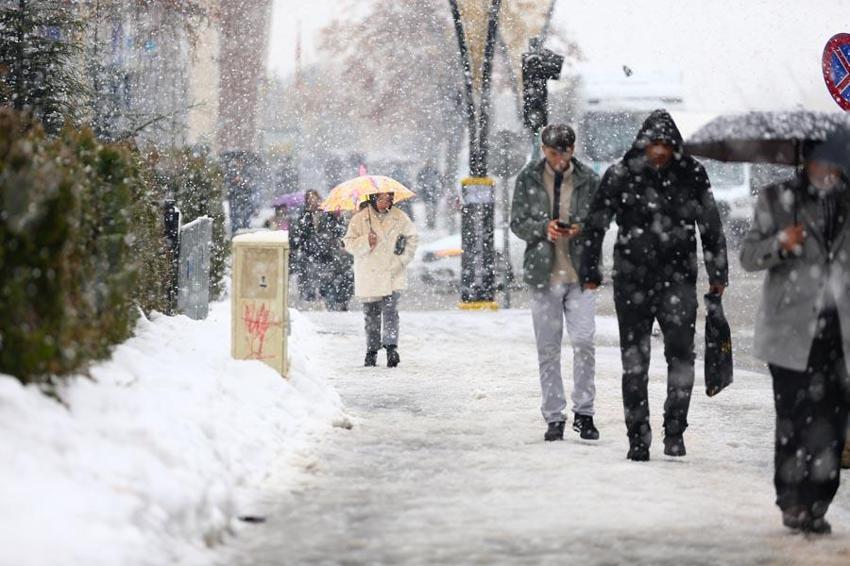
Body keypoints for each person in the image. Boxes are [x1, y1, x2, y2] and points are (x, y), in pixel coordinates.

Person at [580, 109, 728, 461]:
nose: (660, 151)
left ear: (674, 144)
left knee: (681, 357)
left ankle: (675, 430)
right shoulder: (621, 174)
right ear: (643, 144)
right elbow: (595, 224)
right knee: (635, 363)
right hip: (632, 280)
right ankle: (638, 437)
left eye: (666, 144)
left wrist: (718, 273)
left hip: (678, 279)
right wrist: (590, 269)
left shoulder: (692, 174)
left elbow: (710, 225)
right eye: (654, 144)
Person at [740, 128, 850, 535]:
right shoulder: (775, 198)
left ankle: (818, 502)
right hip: (790, 332)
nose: (829, 170)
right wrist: (781, 242)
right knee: (795, 418)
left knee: (834, 421)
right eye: (822, 161)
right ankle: (792, 500)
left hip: (841, 332)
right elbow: (749, 257)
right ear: (806, 160)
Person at [510, 124, 601, 442]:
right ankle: (553, 415)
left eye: (563, 153)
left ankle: (585, 411)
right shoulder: (528, 177)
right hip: (543, 275)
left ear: (573, 150)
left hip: (580, 274)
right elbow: (517, 222)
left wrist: (579, 229)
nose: (558, 159)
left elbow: (601, 219)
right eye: (552, 153)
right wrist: (543, 228)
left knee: (584, 342)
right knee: (547, 348)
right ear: (543, 149)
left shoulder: (589, 179)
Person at [343, 192, 419, 367]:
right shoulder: (360, 219)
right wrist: (365, 241)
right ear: (374, 199)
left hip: (393, 272)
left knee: (391, 310)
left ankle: (391, 348)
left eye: (390, 198)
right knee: (371, 314)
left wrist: (402, 259)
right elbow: (348, 243)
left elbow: (413, 237)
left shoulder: (399, 217)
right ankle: (372, 350)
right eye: (385, 198)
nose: (389, 202)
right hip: (369, 273)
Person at [290, 190, 325, 302]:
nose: (312, 200)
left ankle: (321, 293)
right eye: (309, 198)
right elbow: (299, 231)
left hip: (323, 249)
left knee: (320, 273)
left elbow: (327, 228)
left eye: (313, 197)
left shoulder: (324, 212)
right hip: (308, 248)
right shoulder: (304, 214)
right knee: (305, 271)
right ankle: (307, 294)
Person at [416, 161, 444, 230]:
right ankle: (430, 222)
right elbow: (441, 180)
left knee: (431, 208)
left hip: (431, 193)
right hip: (431, 193)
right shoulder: (433, 171)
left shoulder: (429, 172)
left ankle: (431, 222)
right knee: (430, 208)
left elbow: (419, 180)